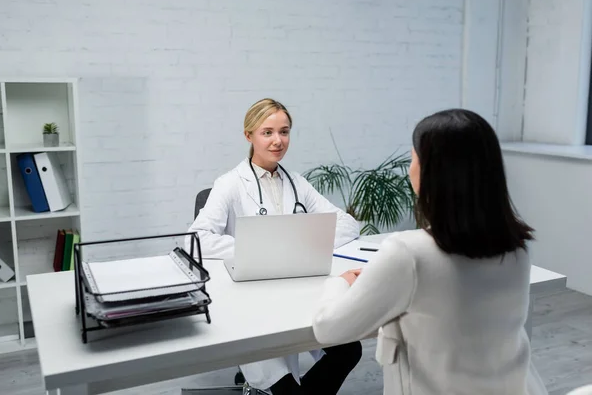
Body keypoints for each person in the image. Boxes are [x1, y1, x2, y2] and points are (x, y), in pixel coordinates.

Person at [312, 108, 549, 395]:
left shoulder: (408, 254)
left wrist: (341, 282)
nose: (410, 167)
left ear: (431, 171)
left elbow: (328, 329)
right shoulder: (517, 248)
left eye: (414, 157)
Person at [188, 98, 362, 394]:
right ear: (249, 136)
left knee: (349, 350)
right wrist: (263, 248)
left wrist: (300, 246)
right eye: (267, 132)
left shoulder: (297, 183)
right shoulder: (230, 184)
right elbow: (198, 239)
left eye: (284, 131)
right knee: (280, 383)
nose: (278, 140)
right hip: (253, 303)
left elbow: (347, 224)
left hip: (299, 293)